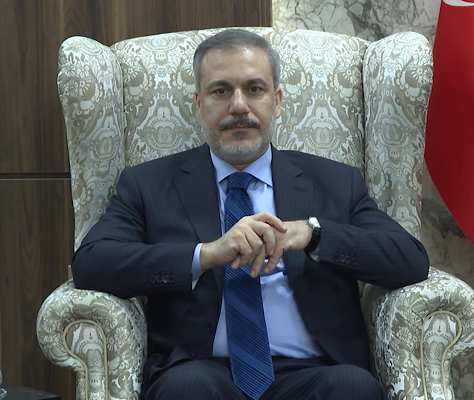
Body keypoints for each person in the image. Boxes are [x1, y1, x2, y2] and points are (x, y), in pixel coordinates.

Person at [71, 29, 430, 400]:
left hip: (312, 373)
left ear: (277, 101)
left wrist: (314, 235)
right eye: (221, 91)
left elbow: (410, 260)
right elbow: (91, 263)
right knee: (185, 389)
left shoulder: (335, 182)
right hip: (201, 370)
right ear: (199, 103)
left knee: (352, 388)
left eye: (254, 89)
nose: (239, 106)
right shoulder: (149, 184)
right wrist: (205, 255)